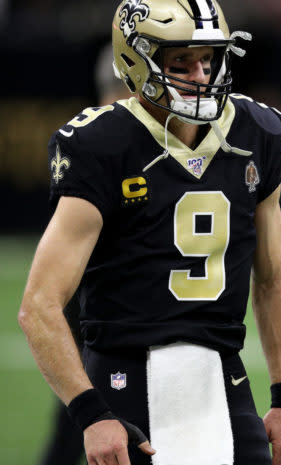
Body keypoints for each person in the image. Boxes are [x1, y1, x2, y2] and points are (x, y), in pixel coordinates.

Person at [18, 1, 281, 465]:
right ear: (135, 62)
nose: (200, 75)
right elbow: (39, 305)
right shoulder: (101, 143)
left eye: (207, 60)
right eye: (181, 62)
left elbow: (272, 280)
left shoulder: (256, 131)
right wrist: (91, 414)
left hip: (222, 375)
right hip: (124, 374)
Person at [37, 42, 136, 465]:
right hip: (107, 313)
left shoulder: (80, 138)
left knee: (77, 417)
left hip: (88, 310)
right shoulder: (103, 144)